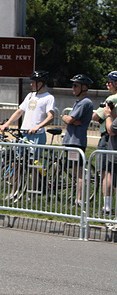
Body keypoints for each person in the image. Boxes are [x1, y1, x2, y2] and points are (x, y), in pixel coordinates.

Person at [62, 74, 95, 205]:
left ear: (84, 87)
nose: (73, 88)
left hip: (76, 141)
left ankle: (79, 199)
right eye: (73, 85)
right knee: (73, 170)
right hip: (70, 140)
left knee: (78, 171)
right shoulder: (80, 102)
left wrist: (65, 117)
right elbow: (70, 120)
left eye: (76, 85)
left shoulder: (85, 102)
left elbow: (69, 119)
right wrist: (68, 119)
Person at [0, 70, 55, 145]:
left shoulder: (49, 98)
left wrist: (37, 127)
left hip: (37, 134)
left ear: (40, 84)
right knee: (20, 156)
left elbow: (50, 117)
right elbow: (19, 111)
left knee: (34, 157)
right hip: (24, 133)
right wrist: (7, 123)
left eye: (33, 82)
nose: (31, 84)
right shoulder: (30, 95)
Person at [93, 71, 117, 215]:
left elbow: (96, 115)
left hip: (108, 137)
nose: (107, 84)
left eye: (110, 81)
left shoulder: (112, 98)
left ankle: (107, 206)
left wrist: (106, 115)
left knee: (106, 173)